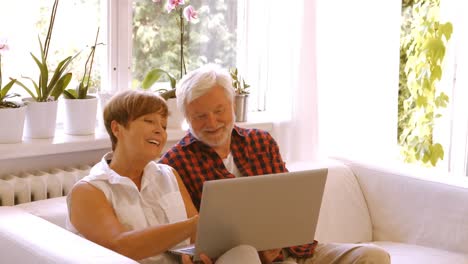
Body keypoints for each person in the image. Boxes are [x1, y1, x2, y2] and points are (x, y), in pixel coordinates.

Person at [159, 64, 392, 264]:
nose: (212, 122)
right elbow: (183, 237)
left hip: (297, 250)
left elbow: (288, 203)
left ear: (232, 105)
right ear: (187, 119)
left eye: (219, 110)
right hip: (244, 259)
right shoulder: (174, 163)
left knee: (373, 257)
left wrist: (281, 243)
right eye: (200, 116)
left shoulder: (261, 142)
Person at [66, 90, 262, 264]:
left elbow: (196, 238)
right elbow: (120, 247)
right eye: (149, 121)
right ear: (117, 128)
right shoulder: (89, 191)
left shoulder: (169, 174)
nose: (159, 130)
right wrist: (196, 223)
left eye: (164, 125)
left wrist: (198, 256)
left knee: (244, 253)